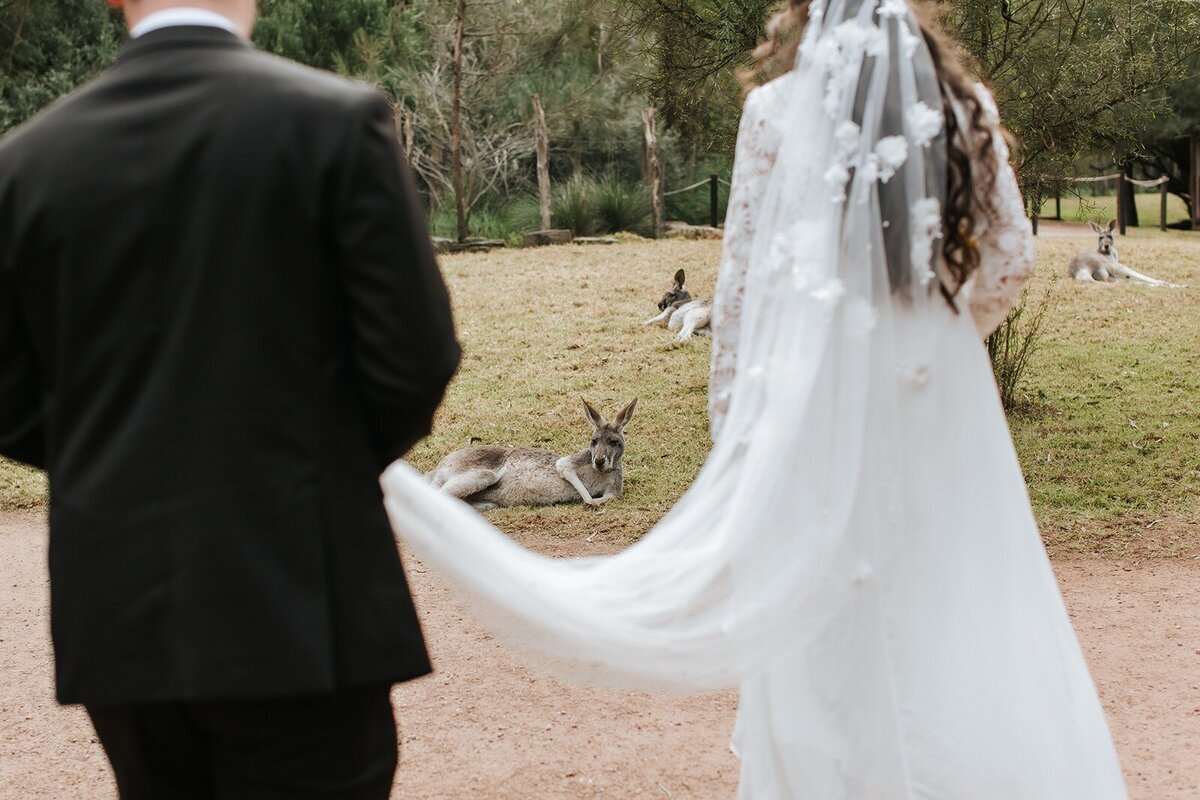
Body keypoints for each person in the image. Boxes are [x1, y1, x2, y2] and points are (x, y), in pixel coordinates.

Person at [380, 0, 1129, 797]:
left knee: (822, 626)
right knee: (955, 602)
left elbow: (735, 303)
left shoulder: (775, 111)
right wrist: (934, 343)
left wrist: (740, 439)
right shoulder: (963, 105)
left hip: (811, 418)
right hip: (937, 408)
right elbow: (1011, 259)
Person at [0, 0, 460, 797]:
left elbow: (6, 400)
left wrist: (116, 466)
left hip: (120, 609)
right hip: (300, 597)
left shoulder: (25, 161)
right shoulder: (336, 122)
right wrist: (311, 471)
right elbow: (413, 365)